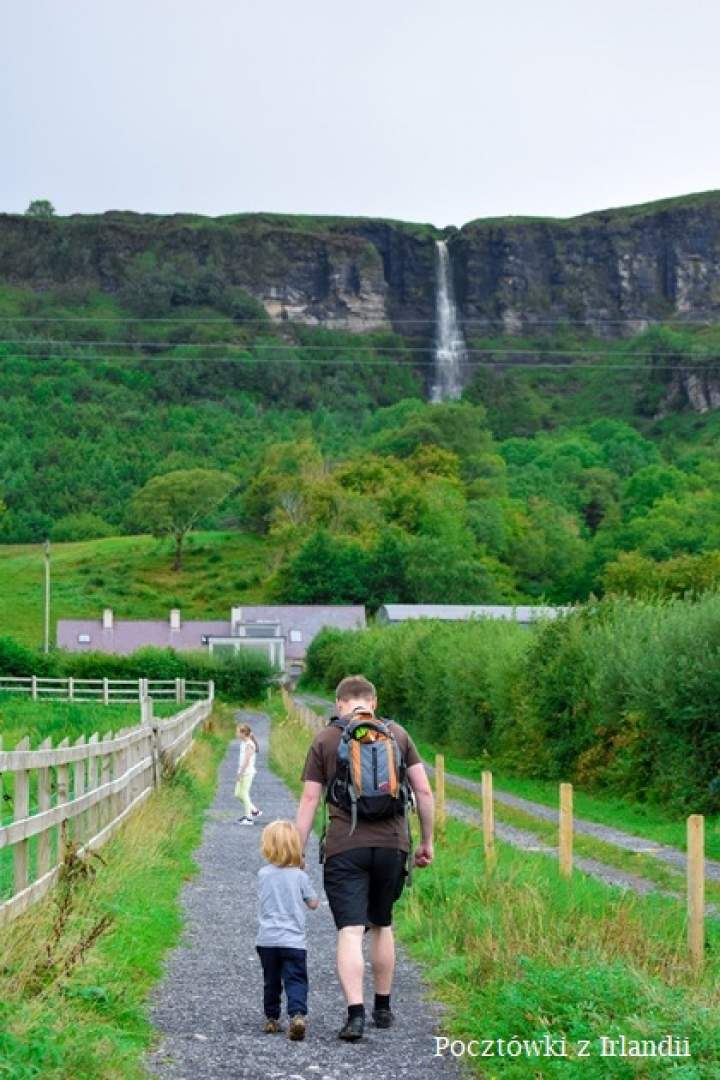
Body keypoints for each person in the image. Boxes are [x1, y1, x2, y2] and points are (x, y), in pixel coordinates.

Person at [295, 674, 434, 1042]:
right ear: (372, 701)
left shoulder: (326, 738)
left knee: (351, 929)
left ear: (339, 704)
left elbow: (310, 800)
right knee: (382, 924)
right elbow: (423, 791)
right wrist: (426, 843)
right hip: (392, 845)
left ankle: (355, 1014)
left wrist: (297, 851)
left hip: (345, 846)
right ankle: (383, 1008)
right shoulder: (398, 735)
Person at [256, 819, 320, 1041]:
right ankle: (297, 1015)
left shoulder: (263, 874)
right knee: (296, 979)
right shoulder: (300, 876)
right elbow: (313, 903)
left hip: (267, 940)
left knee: (271, 980)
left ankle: (272, 1018)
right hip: (293, 941)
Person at [235, 722, 262, 825]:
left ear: (243, 733)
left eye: (238, 732)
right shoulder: (243, 743)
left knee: (244, 794)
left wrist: (240, 773)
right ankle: (254, 811)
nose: (236, 734)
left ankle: (249, 818)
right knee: (237, 794)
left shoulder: (250, 745)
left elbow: (246, 761)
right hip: (242, 772)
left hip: (247, 773)